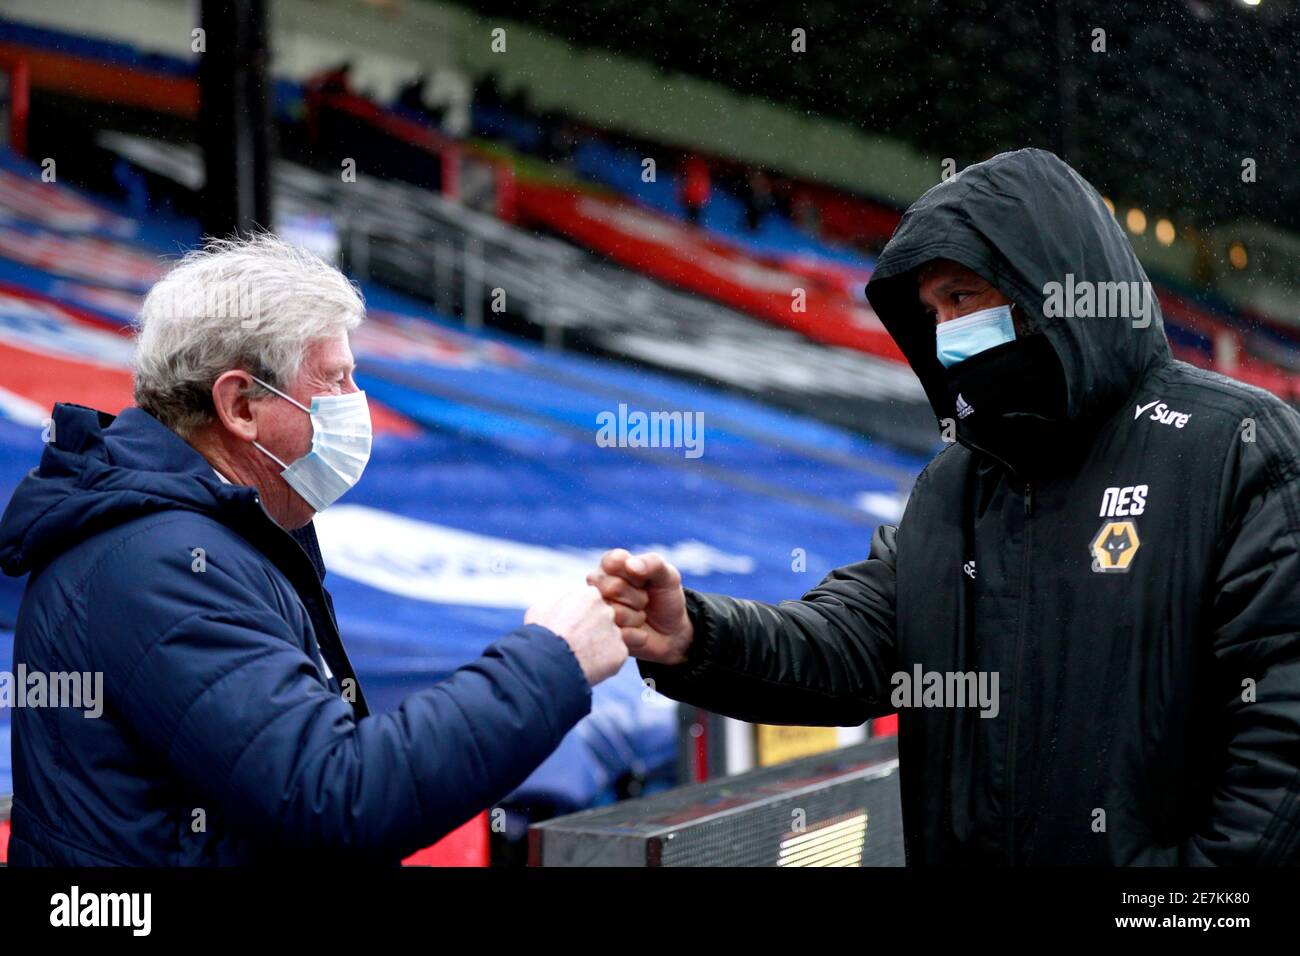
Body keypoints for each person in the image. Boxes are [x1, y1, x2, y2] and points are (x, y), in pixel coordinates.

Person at [589, 148, 1300, 866]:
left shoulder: (1236, 448)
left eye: (961, 299)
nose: (944, 333)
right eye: (931, 313)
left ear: (1044, 289)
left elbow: (1283, 747)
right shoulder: (955, 485)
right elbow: (851, 640)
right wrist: (695, 637)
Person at [0, 234, 627, 865]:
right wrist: (550, 662)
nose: (358, 404)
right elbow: (335, 796)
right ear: (241, 405)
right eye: (336, 379)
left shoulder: (204, 536)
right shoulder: (160, 566)